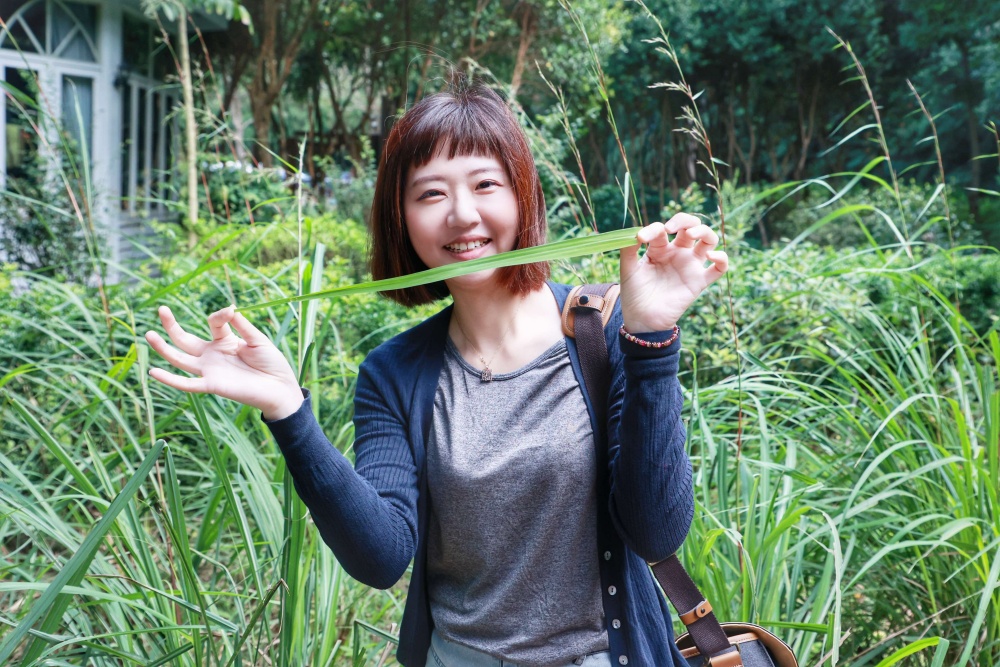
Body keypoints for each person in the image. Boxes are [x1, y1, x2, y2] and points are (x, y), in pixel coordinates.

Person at [145, 84, 728, 667]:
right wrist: (288, 412)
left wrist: (652, 339)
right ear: (402, 218)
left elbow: (656, 534)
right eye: (430, 193)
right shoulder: (393, 373)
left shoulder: (610, 332)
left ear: (522, 196)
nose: (462, 214)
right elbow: (381, 558)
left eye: (485, 185)